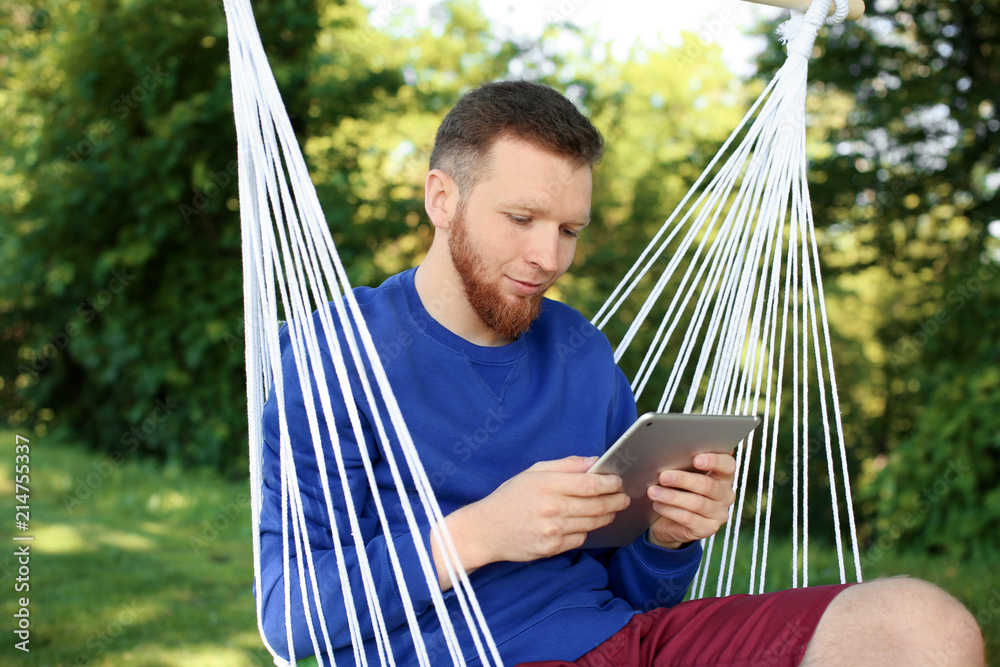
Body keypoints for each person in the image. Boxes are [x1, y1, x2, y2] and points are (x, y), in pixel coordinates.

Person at [256, 80, 985, 666]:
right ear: (442, 198)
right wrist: (479, 532)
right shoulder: (335, 356)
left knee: (924, 626)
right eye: (522, 218)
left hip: (626, 644)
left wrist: (669, 538)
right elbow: (291, 616)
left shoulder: (580, 350)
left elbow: (635, 593)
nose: (550, 257)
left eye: (570, 229)